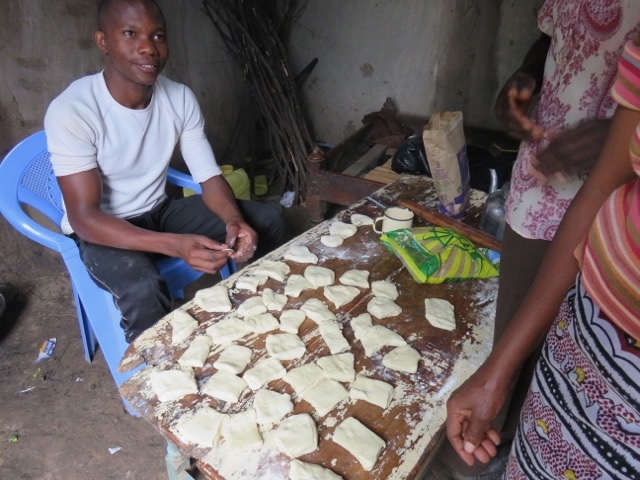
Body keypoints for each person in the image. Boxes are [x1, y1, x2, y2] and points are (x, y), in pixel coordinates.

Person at [436, 2, 640, 478]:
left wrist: (613, 136)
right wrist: (527, 74)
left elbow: (612, 168)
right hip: (548, 198)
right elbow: (549, 34)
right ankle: (483, 450)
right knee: (516, 341)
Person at [44, 0, 286, 343]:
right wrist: (175, 245)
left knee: (265, 221)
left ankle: (262, 314)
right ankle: (154, 369)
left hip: (159, 210)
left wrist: (233, 220)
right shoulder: (73, 110)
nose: (148, 48)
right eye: (130, 34)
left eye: (158, 36)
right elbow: (84, 217)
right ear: (103, 41)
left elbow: (208, 177)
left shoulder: (180, 98)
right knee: (143, 287)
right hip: (102, 229)